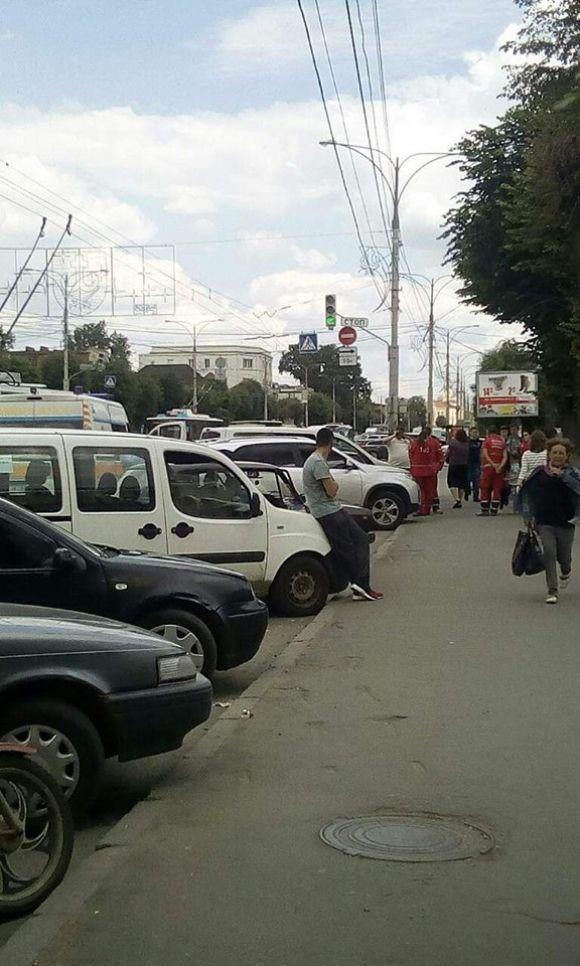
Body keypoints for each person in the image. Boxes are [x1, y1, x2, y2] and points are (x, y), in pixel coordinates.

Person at [302, 427, 383, 601]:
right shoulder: (318, 462)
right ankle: (360, 585)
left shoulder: (314, 460)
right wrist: (334, 484)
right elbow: (331, 490)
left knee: (358, 540)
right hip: (328, 512)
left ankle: (360, 584)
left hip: (331, 509)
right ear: (330, 443)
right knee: (348, 547)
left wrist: (332, 483)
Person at [519, 438, 580, 604]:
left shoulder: (572, 473)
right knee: (549, 552)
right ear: (549, 455)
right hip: (544, 521)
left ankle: (566, 571)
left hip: (566, 522)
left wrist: (563, 477)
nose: (558, 455)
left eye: (561, 453)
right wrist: (528, 516)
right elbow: (528, 494)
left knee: (564, 557)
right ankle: (552, 590)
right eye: (555, 452)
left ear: (567, 456)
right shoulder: (540, 472)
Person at [410, 428, 440, 516]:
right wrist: (438, 468)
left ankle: (421, 508)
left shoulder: (415, 443)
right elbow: (439, 456)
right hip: (430, 470)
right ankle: (428, 508)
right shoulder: (434, 442)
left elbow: (411, 454)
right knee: (429, 490)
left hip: (417, 470)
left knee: (420, 490)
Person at [479, 425, 507, 516]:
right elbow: (505, 457)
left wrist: (492, 464)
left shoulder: (487, 441)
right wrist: (499, 466)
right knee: (497, 488)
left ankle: (485, 509)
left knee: (484, 487)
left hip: (488, 467)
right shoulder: (502, 442)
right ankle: (494, 509)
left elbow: (485, 454)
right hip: (499, 468)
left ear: (488, 432)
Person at [447, 428, 469, 508]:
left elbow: (448, 452)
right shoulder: (467, 444)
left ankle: (457, 499)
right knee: (461, 484)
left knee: (451, 482)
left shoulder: (453, 443)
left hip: (454, 464)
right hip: (464, 465)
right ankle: (460, 499)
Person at [426, 428, 445, 513]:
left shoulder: (418, 441)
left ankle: (425, 506)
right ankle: (435, 506)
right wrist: (439, 466)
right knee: (433, 488)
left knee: (423, 488)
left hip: (422, 468)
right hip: (432, 468)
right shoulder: (435, 442)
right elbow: (440, 456)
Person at [466, 427, 482, 502]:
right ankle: (467, 492)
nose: (475, 434)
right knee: (468, 479)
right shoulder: (467, 441)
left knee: (477, 480)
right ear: (470, 433)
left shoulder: (480, 442)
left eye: (476, 432)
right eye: (473, 432)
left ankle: (476, 496)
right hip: (468, 463)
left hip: (477, 463)